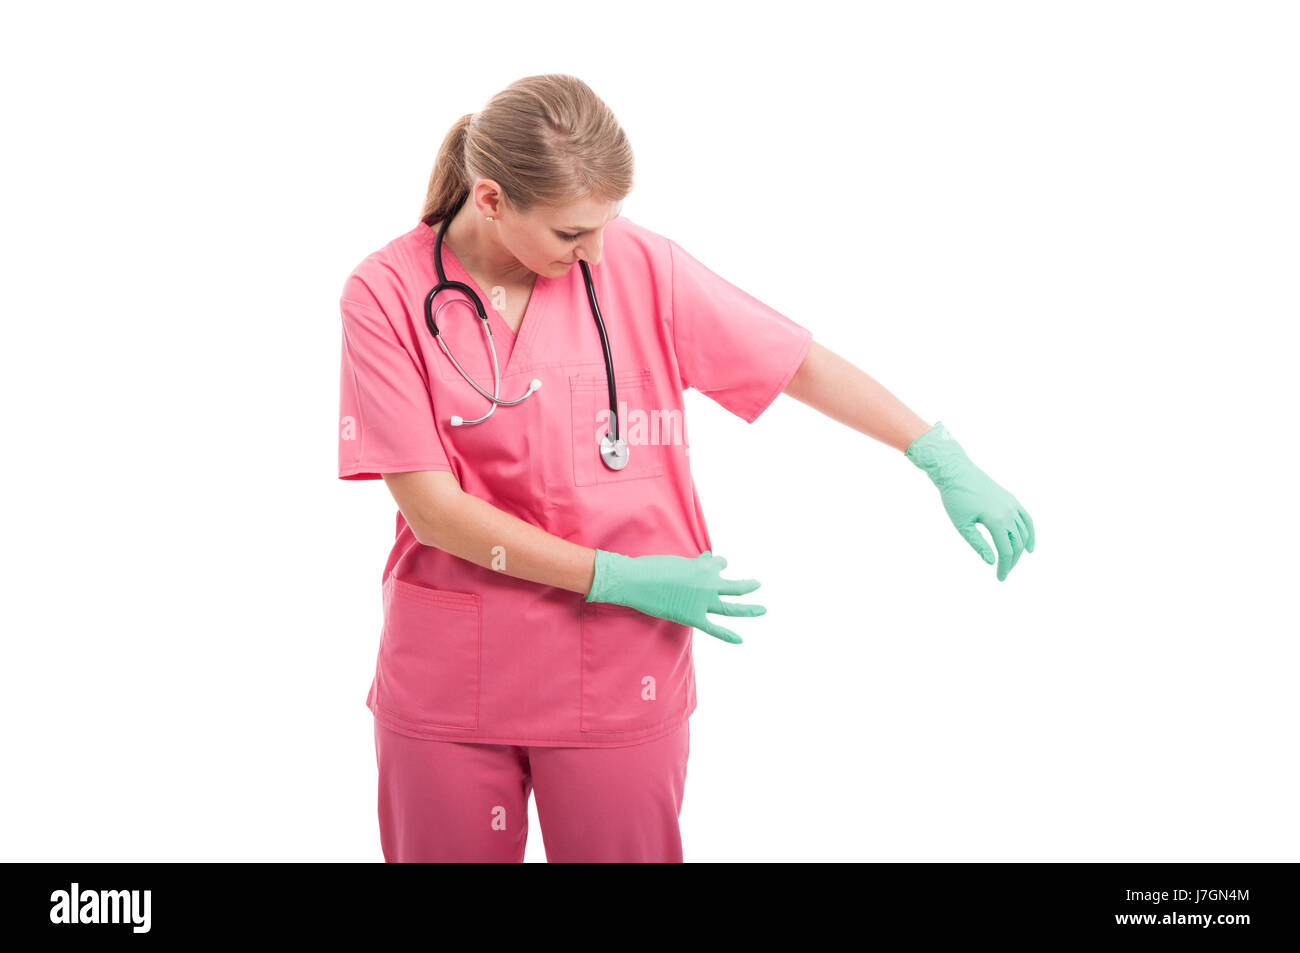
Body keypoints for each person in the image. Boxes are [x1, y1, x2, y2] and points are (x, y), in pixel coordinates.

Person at [337, 74, 1035, 863]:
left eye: (608, 224)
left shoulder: (638, 265)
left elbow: (793, 361)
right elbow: (433, 509)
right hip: (453, 679)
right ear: (492, 200)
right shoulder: (386, 292)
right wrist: (616, 576)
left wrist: (933, 451)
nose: (597, 251)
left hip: (615, 669)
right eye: (572, 234)